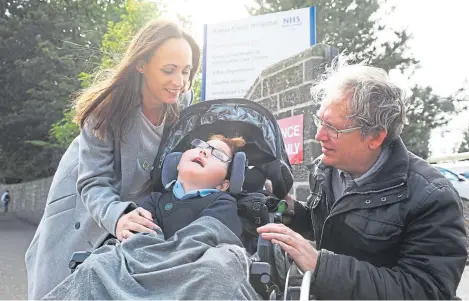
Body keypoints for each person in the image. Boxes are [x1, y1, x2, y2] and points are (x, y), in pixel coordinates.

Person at [257, 62, 468, 299]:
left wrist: (321, 267)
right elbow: (332, 226)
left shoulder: (432, 197)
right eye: (319, 121)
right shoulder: (325, 170)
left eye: (332, 128)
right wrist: (290, 211)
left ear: (375, 137)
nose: (319, 136)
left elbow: (426, 291)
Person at [25, 19, 200, 300]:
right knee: (60, 285)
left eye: (186, 71)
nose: (179, 82)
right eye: (169, 70)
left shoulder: (183, 103)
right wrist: (117, 216)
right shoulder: (105, 110)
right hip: (81, 208)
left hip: (134, 213)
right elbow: (94, 181)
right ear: (141, 64)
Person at [138, 135, 245, 240]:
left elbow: (206, 240)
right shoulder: (154, 200)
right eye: (200, 146)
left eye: (219, 155)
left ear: (222, 185)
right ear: (178, 164)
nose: (204, 151)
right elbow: (137, 239)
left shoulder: (224, 203)